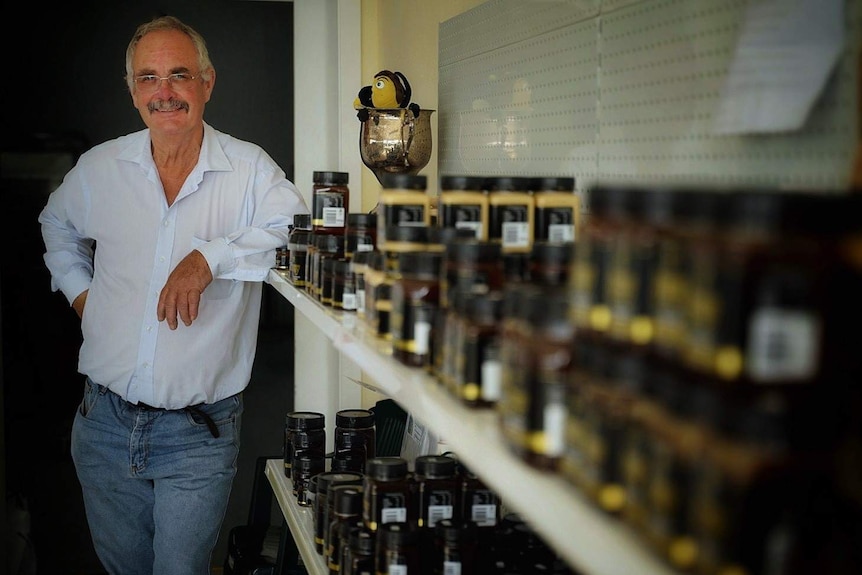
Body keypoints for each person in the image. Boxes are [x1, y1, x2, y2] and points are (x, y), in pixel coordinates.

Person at [38, 15, 309, 575]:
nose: (164, 93)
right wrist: (81, 293)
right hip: (103, 425)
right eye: (148, 78)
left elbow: (295, 230)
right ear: (133, 91)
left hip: (198, 435)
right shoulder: (100, 169)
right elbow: (55, 224)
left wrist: (209, 256)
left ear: (207, 83)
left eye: (179, 75)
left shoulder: (249, 169)